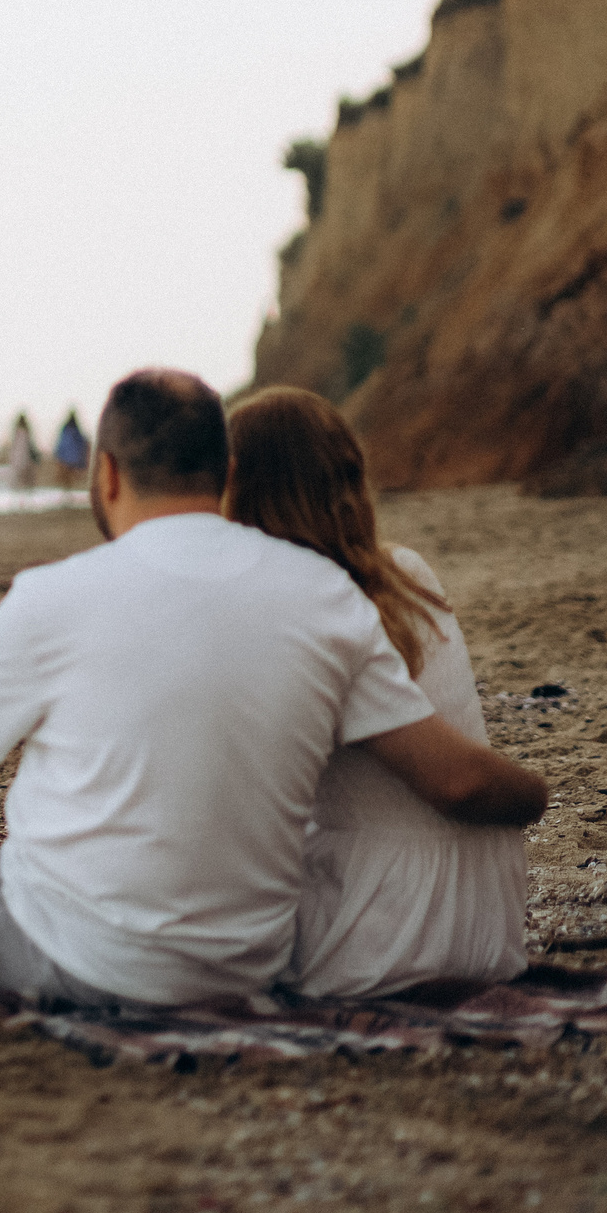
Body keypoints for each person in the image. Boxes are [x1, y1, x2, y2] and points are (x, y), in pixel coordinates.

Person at [0, 368, 548, 1008]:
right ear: (219, 473)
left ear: (105, 474)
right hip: (247, 961)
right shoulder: (326, 594)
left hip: (79, 959)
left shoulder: (57, 592)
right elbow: (451, 773)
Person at [226, 387, 529, 997]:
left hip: (383, 932)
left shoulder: (301, 611)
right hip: (482, 917)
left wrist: (534, 793)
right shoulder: (407, 572)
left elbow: (457, 782)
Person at [52, 408, 90, 489]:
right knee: (68, 478)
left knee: (67, 478)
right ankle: (67, 491)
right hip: (72, 458)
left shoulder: (67, 430)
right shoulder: (74, 430)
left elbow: (61, 444)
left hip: (66, 458)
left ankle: (67, 491)